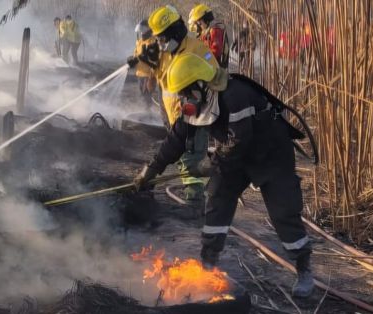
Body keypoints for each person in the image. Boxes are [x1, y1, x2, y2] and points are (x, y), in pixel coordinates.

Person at [133, 53, 314, 298]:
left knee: (283, 212)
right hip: (234, 156)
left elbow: (240, 140)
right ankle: (208, 265)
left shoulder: (234, 95)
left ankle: (304, 269)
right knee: (217, 201)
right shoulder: (198, 100)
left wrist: (211, 166)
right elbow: (176, 138)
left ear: (200, 84)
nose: (183, 99)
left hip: (270, 155)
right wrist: (151, 170)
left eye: (186, 92)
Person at [127, 6, 220, 207]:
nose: (159, 42)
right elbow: (148, 68)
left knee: (190, 158)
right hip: (170, 110)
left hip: (195, 113)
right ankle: (194, 193)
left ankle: (195, 202)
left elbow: (211, 81)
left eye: (161, 38)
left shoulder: (197, 50)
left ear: (174, 33)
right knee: (179, 151)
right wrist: (142, 55)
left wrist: (153, 168)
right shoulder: (166, 49)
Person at [188, 4, 229, 68]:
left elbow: (214, 54)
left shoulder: (215, 30)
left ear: (202, 20)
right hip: (209, 68)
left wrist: (201, 58)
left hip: (216, 71)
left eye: (197, 24)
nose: (198, 28)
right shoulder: (205, 32)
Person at [130, 19, 157, 110]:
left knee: (147, 98)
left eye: (143, 30)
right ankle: (144, 112)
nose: (141, 33)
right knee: (142, 96)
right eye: (140, 31)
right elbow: (136, 55)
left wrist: (151, 78)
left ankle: (148, 115)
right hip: (140, 74)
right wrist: (132, 60)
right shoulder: (140, 42)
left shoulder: (153, 43)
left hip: (148, 75)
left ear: (148, 30)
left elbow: (156, 62)